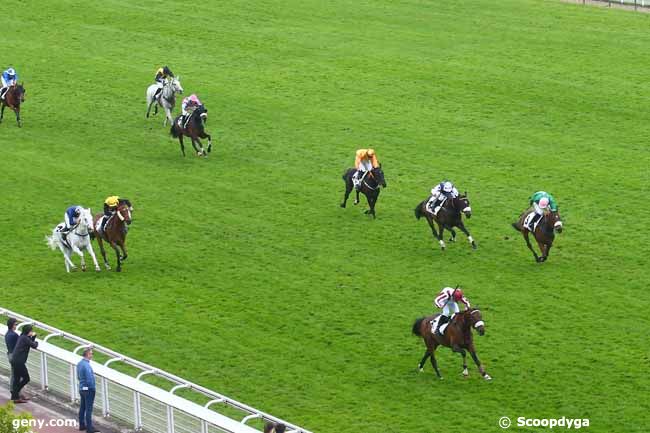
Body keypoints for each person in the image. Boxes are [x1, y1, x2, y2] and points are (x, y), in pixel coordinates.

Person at [10, 324, 38, 403]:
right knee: (26, 378)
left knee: (17, 379)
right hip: (19, 362)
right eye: (31, 331)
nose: (32, 332)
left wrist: (33, 337)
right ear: (28, 332)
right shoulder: (25, 338)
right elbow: (34, 345)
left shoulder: (22, 336)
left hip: (15, 360)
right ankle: (15, 394)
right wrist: (35, 339)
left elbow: (29, 342)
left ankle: (15, 397)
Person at [77, 348, 99, 433]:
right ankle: (89, 428)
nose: (92, 355)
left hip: (82, 388)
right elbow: (89, 380)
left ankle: (82, 425)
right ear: (88, 355)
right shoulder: (87, 365)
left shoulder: (79, 364)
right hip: (88, 390)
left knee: (82, 407)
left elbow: (79, 377)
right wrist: (92, 388)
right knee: (88, 409)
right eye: (91, 354)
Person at [4, 318, 18, 400]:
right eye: (16, 324)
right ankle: (15, 393)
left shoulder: (7, 334)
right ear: (12, 325)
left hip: (9, 355)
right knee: (19, 375)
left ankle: (14, 391)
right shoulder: (14, 335)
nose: (16, 326)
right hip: (14, 356)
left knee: (14, 374)